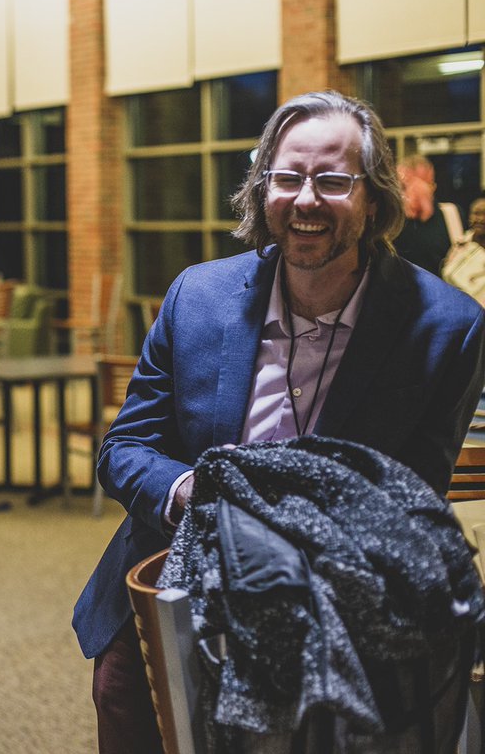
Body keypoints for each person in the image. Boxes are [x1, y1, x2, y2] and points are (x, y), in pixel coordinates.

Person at [72, 91, 485, 753]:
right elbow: (125, 448)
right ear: (263, 190)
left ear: (373, 199)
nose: (305, 199)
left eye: (331, 180)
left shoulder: (445, 329)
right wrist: (195, 497)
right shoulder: (197, 298)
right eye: (287, 177)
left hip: (335, 600)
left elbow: (409, 497)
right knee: (126, 694)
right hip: (170, 569)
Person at [393, 154, 455, 275]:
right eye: (405, 186)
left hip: (443, 291)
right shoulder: (391, 221)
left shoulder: (451, 215)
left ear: (432, 187)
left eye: (420, 184)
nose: (413, 191)